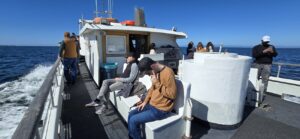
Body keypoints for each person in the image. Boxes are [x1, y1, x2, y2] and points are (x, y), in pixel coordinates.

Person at [128, 57, 177, 139]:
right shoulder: (156, 73)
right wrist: (145, 102)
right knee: (131, 114)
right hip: (151, 105)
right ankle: (132, 136)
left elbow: (172, 95)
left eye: (148, 73)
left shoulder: (168, 73)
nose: (148, 75)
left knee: (133, 120)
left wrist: (157, 83)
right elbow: (151, 89)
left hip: (161, 110)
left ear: (152, 67)